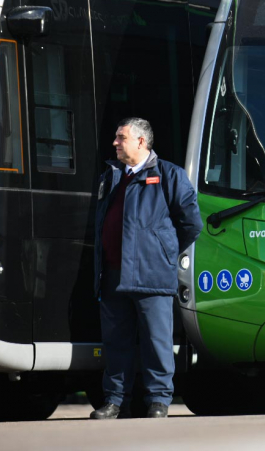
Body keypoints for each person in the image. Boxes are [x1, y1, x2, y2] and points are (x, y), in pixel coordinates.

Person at [90, 118, 202, 419]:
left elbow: (192, 224)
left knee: (156, 342)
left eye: (121, 137)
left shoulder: (169, 175)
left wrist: (163, 252)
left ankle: (158, 402)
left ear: (141, 142)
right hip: (113, 275)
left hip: (151, 274)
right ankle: (115, 401)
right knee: (116, 344)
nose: (115, 143)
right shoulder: (111, 176)